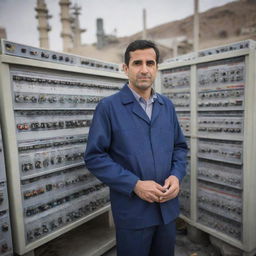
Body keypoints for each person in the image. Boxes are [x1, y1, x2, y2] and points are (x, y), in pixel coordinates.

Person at [84, 40, 188, 256]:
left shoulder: (166, 106)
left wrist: (176, 176)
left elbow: (179, 147)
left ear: (157, 68)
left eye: (150, 63)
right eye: (137, 63)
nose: (144, 69)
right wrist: (135, 184)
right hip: (133, 212)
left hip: (166, 208)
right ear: (125, 68)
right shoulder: (108, 107)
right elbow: (95, 157)